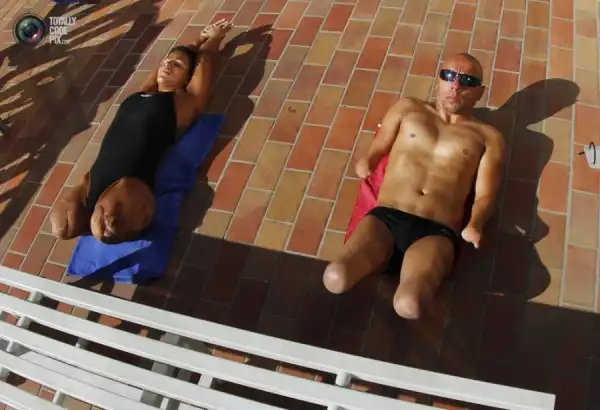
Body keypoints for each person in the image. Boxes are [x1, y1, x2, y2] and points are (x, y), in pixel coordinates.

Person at [323, 53, 506, 320]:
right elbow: (379, 145)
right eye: (449, 76)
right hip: (385, 218)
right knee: (335, 276)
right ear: (438, 80)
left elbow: (486, 194)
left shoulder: (488, 137)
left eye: (467, 81)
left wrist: (475, 224)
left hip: (435, 232)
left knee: (409, 304)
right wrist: (368, 160)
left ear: (479, 92)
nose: (456, 85)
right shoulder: (408, 108)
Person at [50, 19, 234, 244]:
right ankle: (100, 216)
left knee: (107, 226)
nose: (167, 65)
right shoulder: (144, 91)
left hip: (130, 185)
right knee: (62, 226)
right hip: (91, 182)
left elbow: (205, 62)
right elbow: (172, 60)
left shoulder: (183, 101)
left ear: (187, 78)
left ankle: (124, 221)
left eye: (177, 65)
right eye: (167, 61)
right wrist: (195, 42)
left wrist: (213, 38)